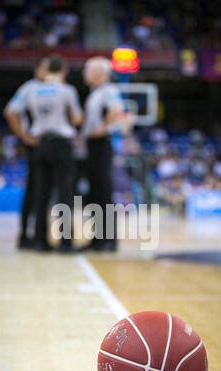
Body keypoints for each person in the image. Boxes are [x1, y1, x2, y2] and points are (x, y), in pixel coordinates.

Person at [6, 55, 83, 252]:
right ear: (63, 70)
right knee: (65, 192)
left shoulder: (31, 89)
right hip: (61, 143)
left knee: (41, 193)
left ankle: (40, 240)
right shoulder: (67, 90)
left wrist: (25, 137)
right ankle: (65, 242)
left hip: (39, 143)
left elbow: (11, 111)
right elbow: (76, 118)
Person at [4, 56, 50, 249]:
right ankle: (25, 235)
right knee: (34, 191)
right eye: (46, 68)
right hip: (36, 145)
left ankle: (40, 235)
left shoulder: (56, 90)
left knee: (45, 192)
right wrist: (25, 137)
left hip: (50, 145)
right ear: (37, 70)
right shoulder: (29, 88)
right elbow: (10, 112)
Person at [82, 57, 125, 252]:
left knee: (102, 191)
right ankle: (98, 238)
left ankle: (108, 240)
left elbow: (117, 110)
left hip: (101, 144)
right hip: (93, 144)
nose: (85, 73)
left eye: (87, 70)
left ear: (99, 72)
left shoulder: (109, 90)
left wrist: (103, 128)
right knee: (95, 192)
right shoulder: (96, 92)